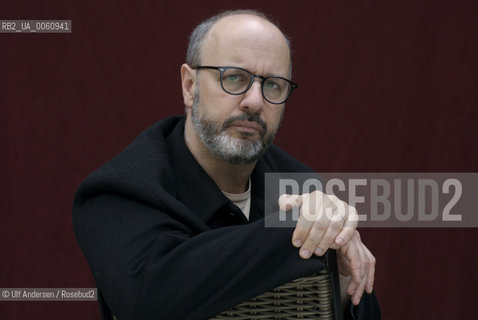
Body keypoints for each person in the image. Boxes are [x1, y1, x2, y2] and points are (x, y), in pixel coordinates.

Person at [73, 9, 380, 320]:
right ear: (190, 86)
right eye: (234, 78)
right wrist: (294, 228)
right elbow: (150, 301)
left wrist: (338, 274)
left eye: (273, 84)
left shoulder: (299, 181)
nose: (255, 101)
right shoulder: (118, 190)